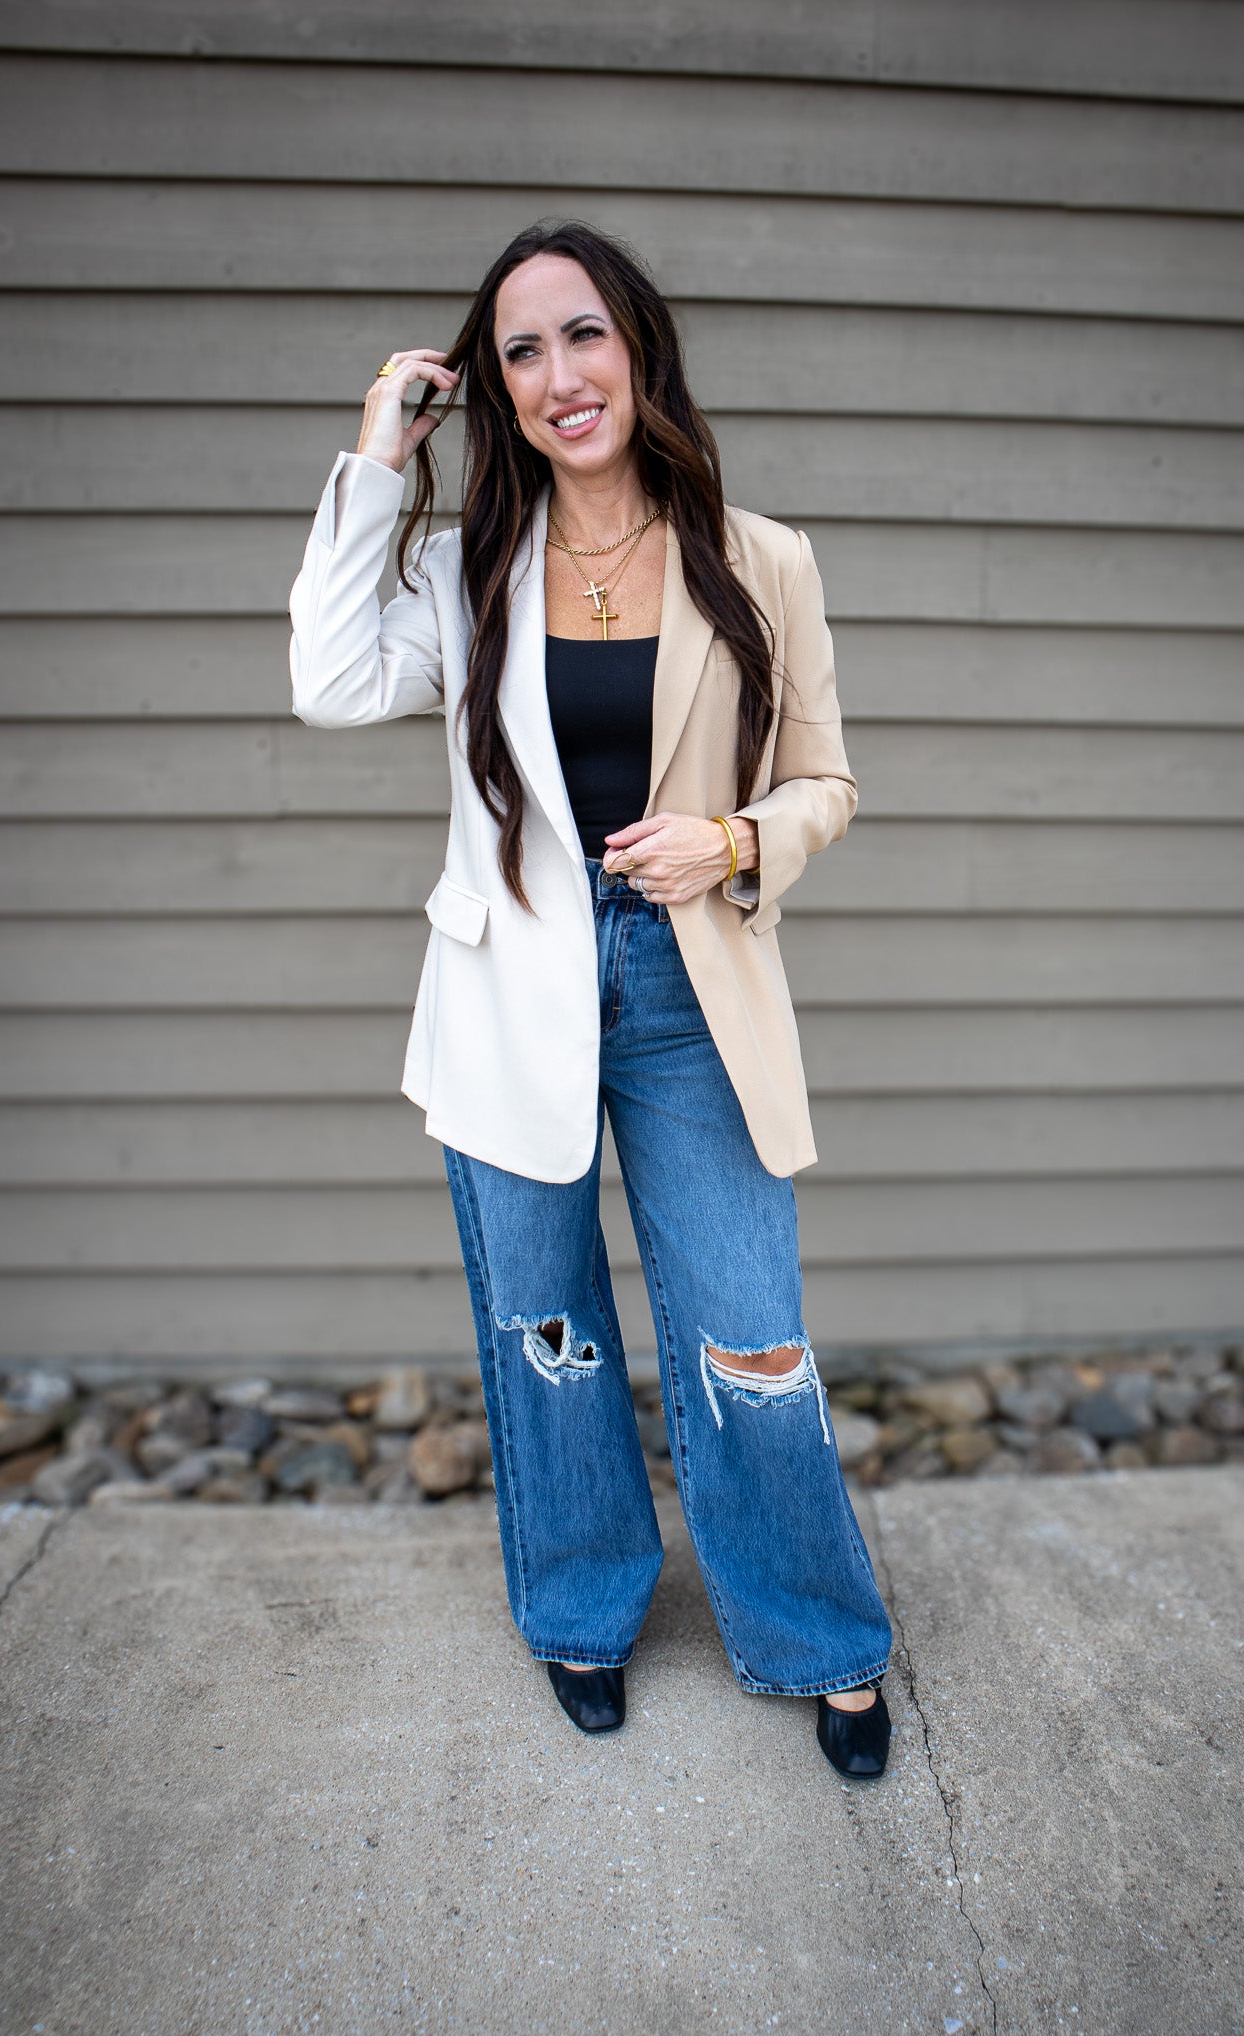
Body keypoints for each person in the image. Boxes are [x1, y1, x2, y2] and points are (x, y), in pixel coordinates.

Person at [288, 217, 893, 1778]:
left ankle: (817, 1637)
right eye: (520, 351)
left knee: (750, 1335)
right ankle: (580, 1612)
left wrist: (738, 836)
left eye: (583, 335)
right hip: (508, 999)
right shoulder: (462, 564)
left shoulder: (761, 558)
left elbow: (826, 775)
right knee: (544, 1329)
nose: (560, 375)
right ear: (490, 388)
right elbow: (329, 679)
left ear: (638, 347)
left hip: (693, 989)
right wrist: (375, 459)